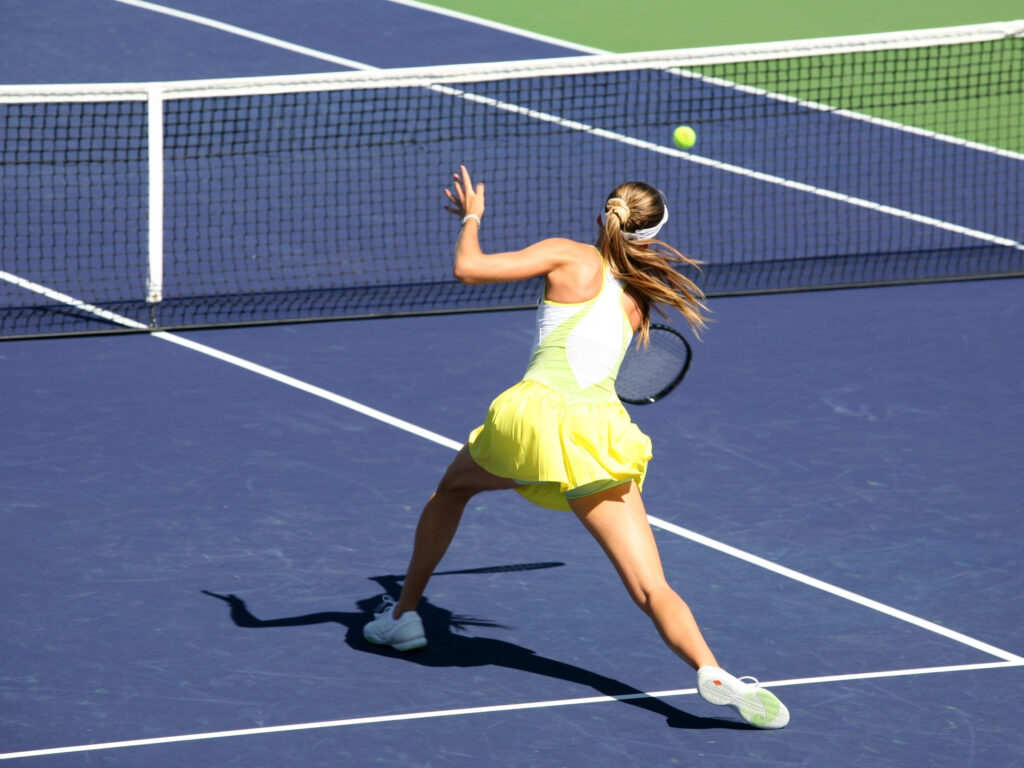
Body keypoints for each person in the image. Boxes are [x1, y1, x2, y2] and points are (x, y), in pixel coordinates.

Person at [363, 166, 789, 729]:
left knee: (452, 489)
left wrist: (472, 217)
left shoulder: (568, 254)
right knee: (650, 584)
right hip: (597, 433)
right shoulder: (641, 294)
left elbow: (468, 269)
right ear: (650, 236)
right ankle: (712, 671)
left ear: (603, 215)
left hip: (534, 420)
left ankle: (405, 615)